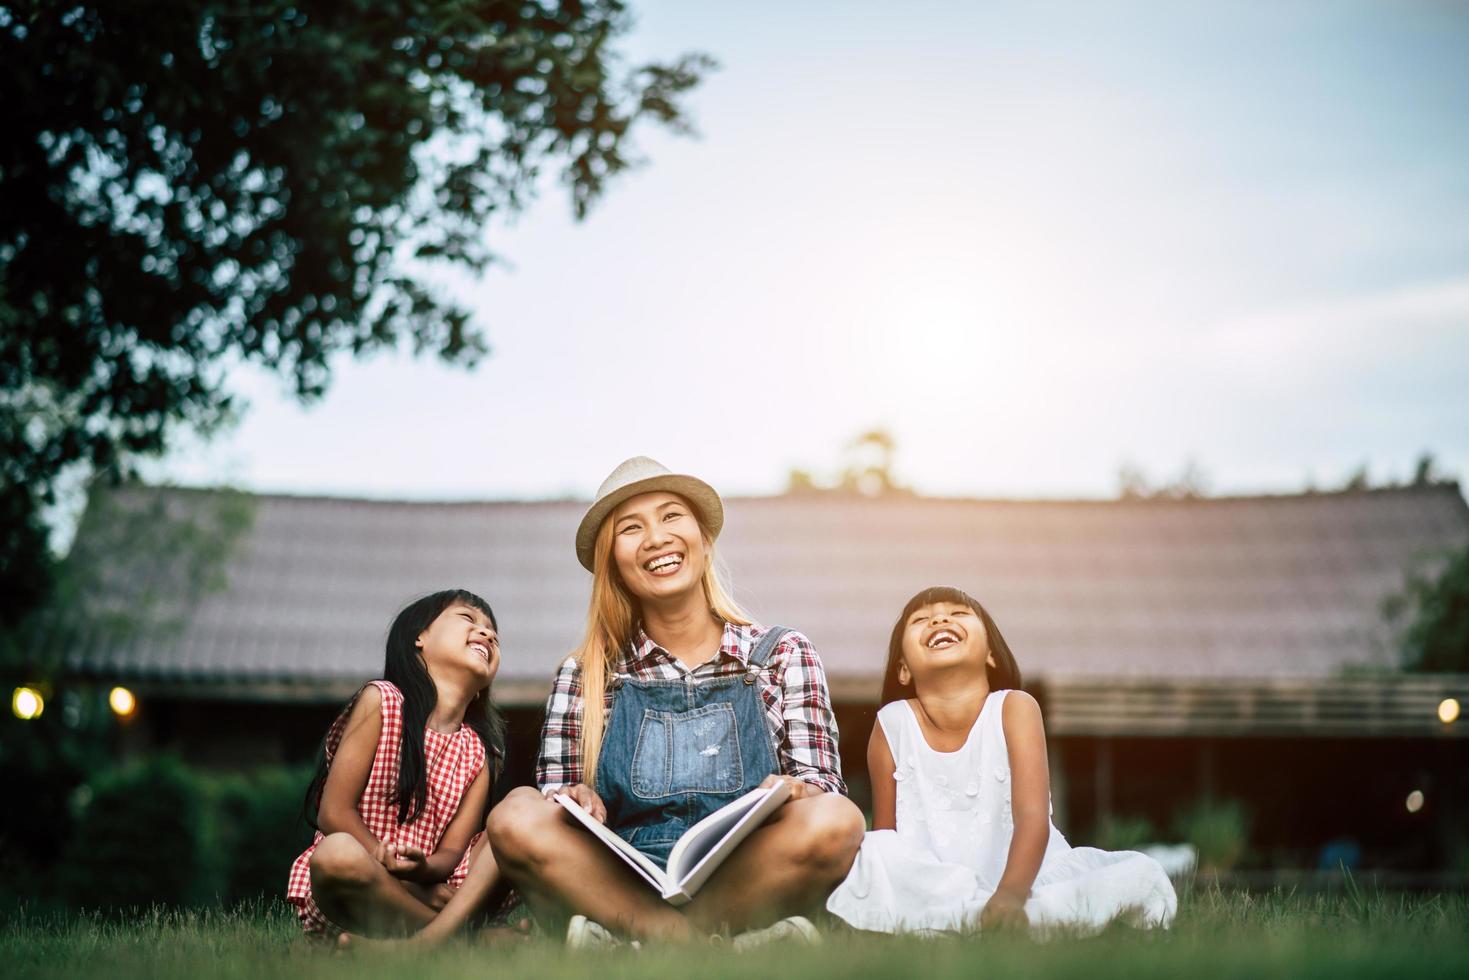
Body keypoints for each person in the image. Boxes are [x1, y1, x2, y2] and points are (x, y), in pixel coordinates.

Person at [487, 456, 865, 945]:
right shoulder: (584, 674)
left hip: (749, 868)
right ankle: (716, 943)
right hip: (621, 878)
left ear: (704, 544)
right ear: (614, 564)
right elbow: (553, 802)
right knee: (517, 812)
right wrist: (572, 799)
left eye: (671, 517)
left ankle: (640, 943)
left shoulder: (783, 653)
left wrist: (794, 791)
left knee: (838, 817)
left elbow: (821, 783)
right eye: (631, 528)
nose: (656, 538)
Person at [826, 585, 1177, 935]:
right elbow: (888, 837)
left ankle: (998, 916)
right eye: (921, 619)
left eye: (958, 613)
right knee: (876, 850)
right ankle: (995, 918)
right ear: (903, 669)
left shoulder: (1015, 708)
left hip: (1029, 877)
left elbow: (1033, 818)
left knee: (1139, 874)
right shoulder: (892, 723)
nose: (940, 619)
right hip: (935, 884)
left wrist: (1010, 894)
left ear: (990, 654)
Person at [286, 589, 514, 944]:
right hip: (360, 881)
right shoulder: (382, 702)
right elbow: (334, 812)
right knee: (335, 854)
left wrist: (424, 870)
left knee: (509, 829)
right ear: (419, 637)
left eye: (492, 631)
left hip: (434, 884)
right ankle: (463, 941)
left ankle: (421, 940)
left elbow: (453, 853)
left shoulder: (481, 751)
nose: (487, 633)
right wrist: (393, 869)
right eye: (468, 619)